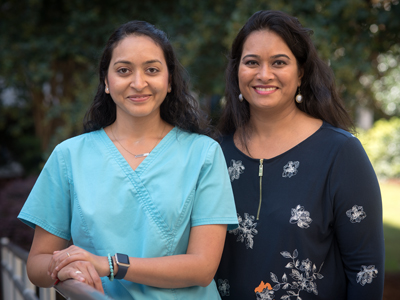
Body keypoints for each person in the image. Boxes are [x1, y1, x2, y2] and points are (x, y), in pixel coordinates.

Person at [18, 20, 238, 300]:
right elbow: (37, 263)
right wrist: (69, 268)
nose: (138, 82)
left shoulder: (204, 153)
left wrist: (109, 265)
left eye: (152, 70)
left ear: (169, 81)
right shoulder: (69, 156)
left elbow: (203, 267)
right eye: (123, 70)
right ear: (106, 82)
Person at [215, 10, 384, 300]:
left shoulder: (340, 153)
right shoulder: (215, 153)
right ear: (237, 71)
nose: (264, 74)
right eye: (252, 62)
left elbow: (366, 271)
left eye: (279, 62)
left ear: (301, 73)